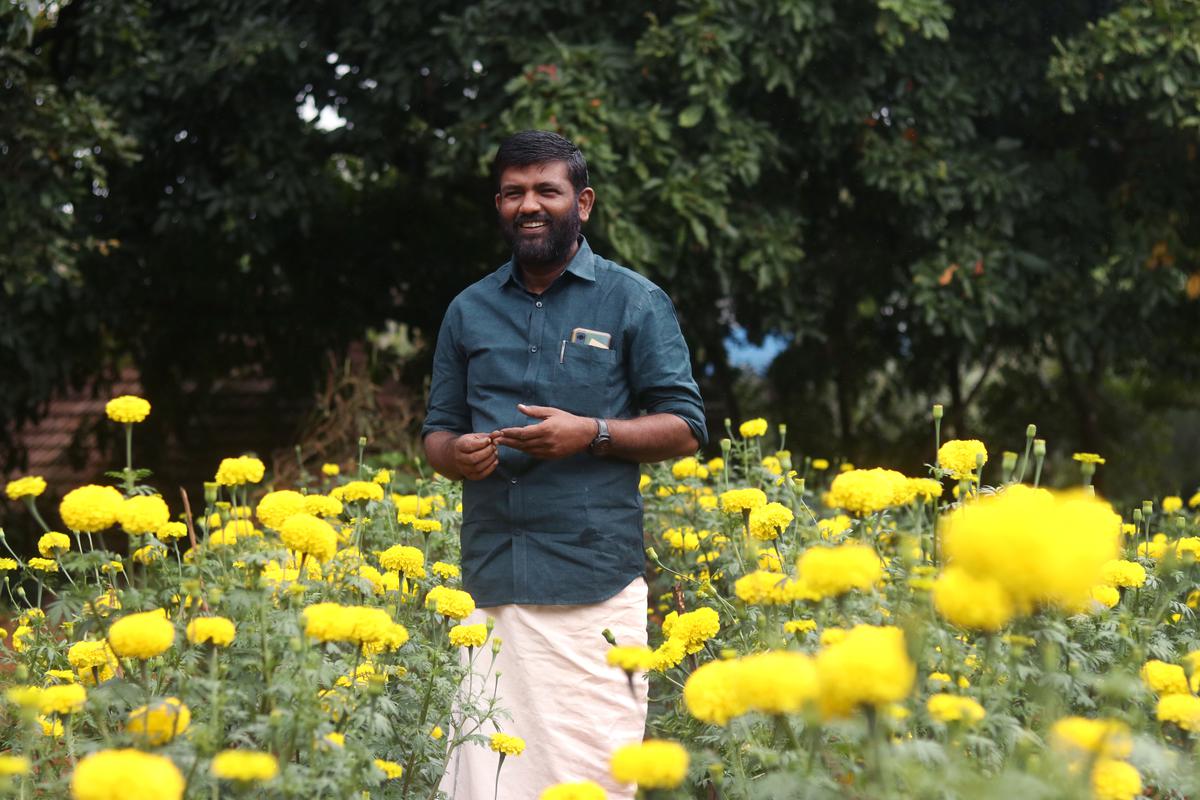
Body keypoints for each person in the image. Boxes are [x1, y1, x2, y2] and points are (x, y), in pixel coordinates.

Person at [422, 130, 707, 798]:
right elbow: (436, 433)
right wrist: (455, 455)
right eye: (514, 192)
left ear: (582, 202)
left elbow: (686, 426)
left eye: (546, 190)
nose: (530, 205)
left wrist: (595, 433)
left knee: (591, 778)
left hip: (593, 586)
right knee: (491, 780)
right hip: (492, 584)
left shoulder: (633, 300)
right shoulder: (469, 309)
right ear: (498, 204)